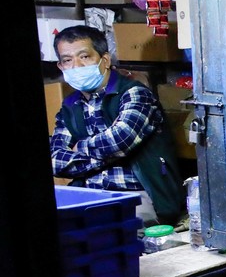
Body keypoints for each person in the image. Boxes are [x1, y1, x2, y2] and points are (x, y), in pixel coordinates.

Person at [49, 25, 185, 226]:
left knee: (116, 232)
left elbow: (120, 140)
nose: (76, 66)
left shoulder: (135, 94)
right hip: (90, 194)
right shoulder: (69, 107)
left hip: (138, 196)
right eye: (68, 60)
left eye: (84, 57)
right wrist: (107, 157)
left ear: (104, 60)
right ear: (61, 66)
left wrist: (81, 148)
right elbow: (55, 161)